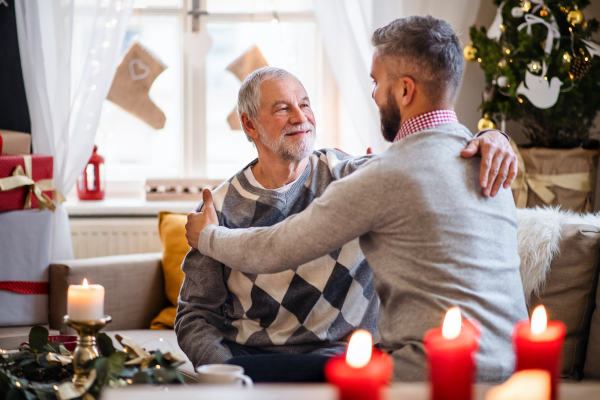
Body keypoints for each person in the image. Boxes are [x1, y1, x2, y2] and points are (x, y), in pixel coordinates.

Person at [185, 16, 528, 383]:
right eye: (283, 108)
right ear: (249, 124)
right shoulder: (490, 162)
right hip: (519, 371)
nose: (373, 94)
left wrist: (207, 237)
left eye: (376, 82)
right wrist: (496, 137)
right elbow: (196, 314)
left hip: (427, 373)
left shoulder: (380, 175)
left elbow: (278, 247)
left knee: (242, 378)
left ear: (405, 91)